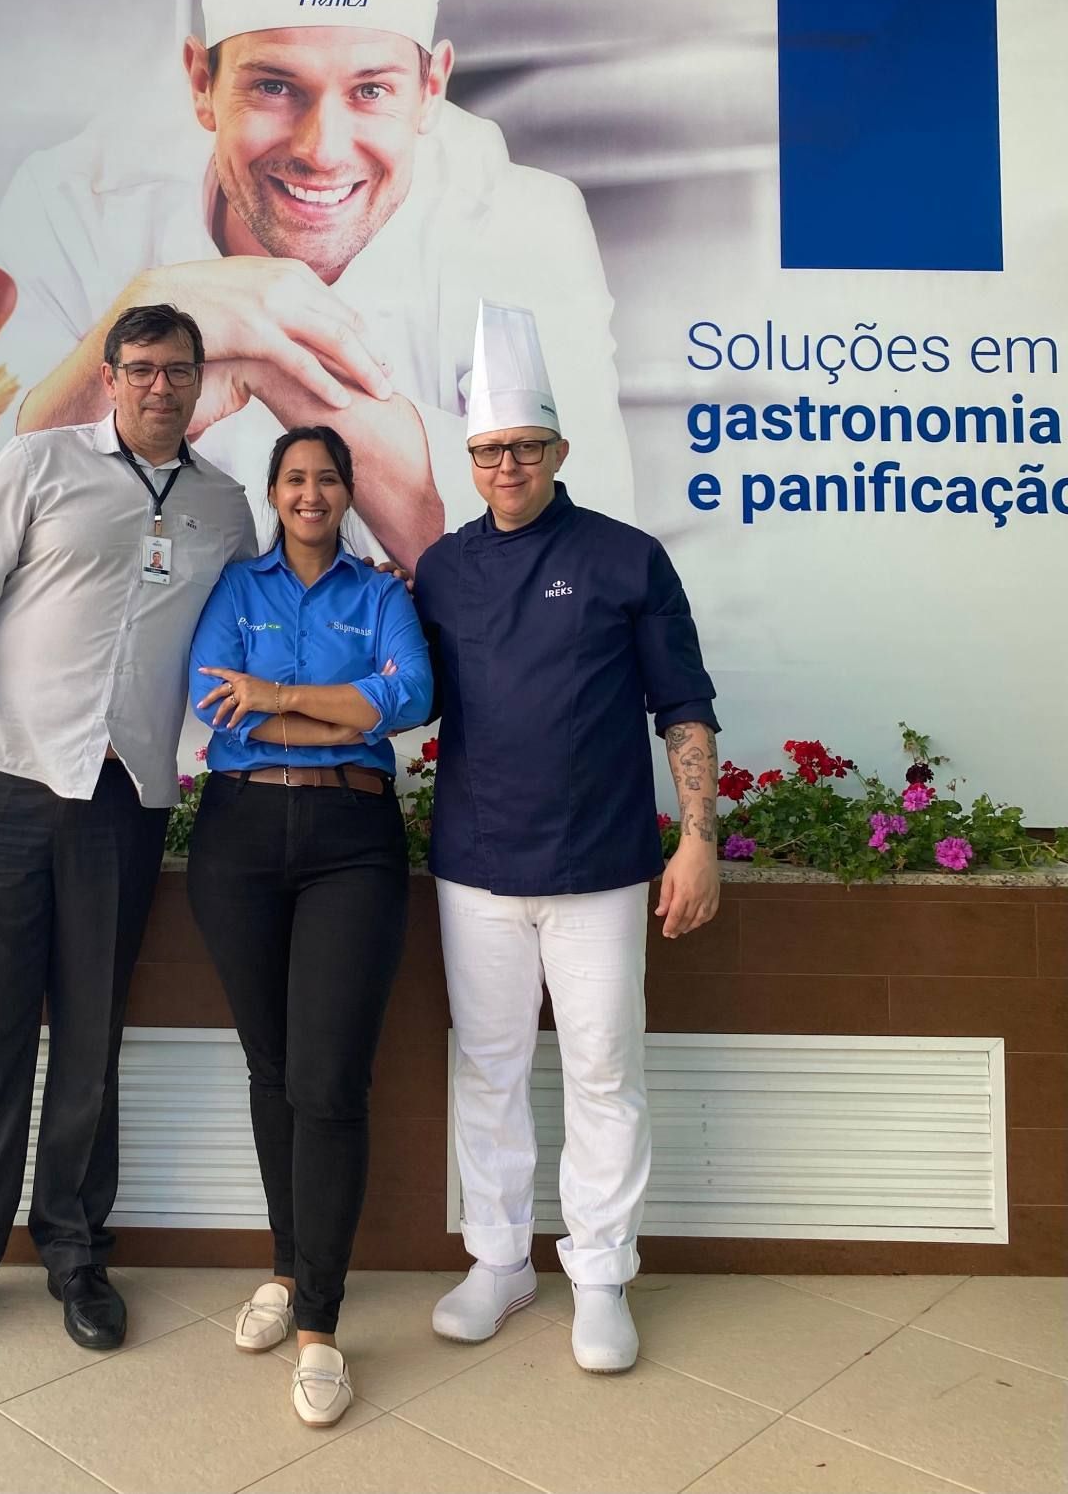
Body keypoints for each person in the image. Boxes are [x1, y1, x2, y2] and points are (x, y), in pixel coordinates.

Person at [0, 0, 635, 570]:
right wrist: (142, 313)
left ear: (431, 91)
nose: (323, 148)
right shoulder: (75, 203)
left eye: (372, 90)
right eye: (273, 86)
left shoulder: (520, 222)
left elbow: (580, 568)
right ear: (200, 84)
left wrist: (273, 356)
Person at [0, 303, 257, 1366]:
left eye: (178, 370)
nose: (159, 387)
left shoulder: (227, 509)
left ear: (199, 379)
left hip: (124, 801)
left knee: (91, 1042)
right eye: (140, 369)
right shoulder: (39, 465)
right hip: (4, 787)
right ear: (108, 376)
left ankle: (77, 1253)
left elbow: (250, 635)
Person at [414, 303, 721, 1374]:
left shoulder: (626, 559)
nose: (506, 465)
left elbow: (681, 705)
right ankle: (497, 1261)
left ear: (557, 450)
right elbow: (397, 693)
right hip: (474, 864)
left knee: (600, 1067)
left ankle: (598, 1275)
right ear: (469, 455)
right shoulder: (440, 570)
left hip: (598, 868)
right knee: (488, 1068)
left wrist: (696, 839)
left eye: (524, 447)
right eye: (489, 449)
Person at [185, 424, 432, 1426]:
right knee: (273, 1069)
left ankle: (321, 1325)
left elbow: (408, 695)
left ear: (345, 491)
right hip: (238, 839)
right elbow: (214, 706)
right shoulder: (235, 590)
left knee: (329, 1080)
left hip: (349, 837)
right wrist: (341, 707)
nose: (309, 494)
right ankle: (287, 1270)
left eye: (326, 479)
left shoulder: (380, 595)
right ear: (274, 491)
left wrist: (279, 697)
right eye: (293, 478)